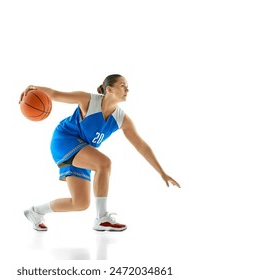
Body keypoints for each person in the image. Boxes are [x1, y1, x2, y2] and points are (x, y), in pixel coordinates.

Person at [22, 74, 180, 232]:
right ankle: (102, 218)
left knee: (80, 203)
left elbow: (141, 146)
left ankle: (36, 212)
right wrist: (33, 88)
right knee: (103, 163)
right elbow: (55, 94)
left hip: (82, 150)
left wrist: (162, 172)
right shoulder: (88, 100)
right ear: (109, 89)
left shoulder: (121, 119)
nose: (127, 89)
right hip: (64, 140)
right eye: (123, 85)